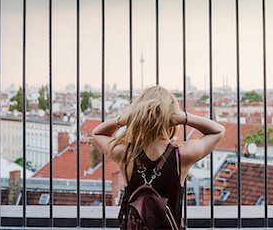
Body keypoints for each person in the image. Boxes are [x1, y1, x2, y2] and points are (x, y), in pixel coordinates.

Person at [92, 85, 225, 229]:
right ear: (171, 118)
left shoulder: (126, 153)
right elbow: (218, 131)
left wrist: (124, 119)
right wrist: (185, 117)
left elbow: (97, 134)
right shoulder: (182, 155)